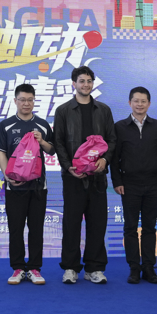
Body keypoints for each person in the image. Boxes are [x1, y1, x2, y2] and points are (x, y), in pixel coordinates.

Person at [53, 65, 116, 285]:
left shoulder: (104, 110)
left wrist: (105, 160)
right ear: (74, 84)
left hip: (98, 177)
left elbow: (112, 140)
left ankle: (94, 268)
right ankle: (70, 267)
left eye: (89, 81)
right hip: (72, 178)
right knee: (71, 223)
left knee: (97, 223)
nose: (86, 85)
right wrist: (68, 166)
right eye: (82, 81)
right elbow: (58, 141)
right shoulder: (63, 110)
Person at [0, 83, 55, 285]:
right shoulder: (6, 125)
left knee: (36, 229)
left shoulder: (42, 125)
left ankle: (35, 268)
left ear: (34, 101)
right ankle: (18, 268)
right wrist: (7, 176)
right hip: (14, 187)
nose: (26, 103)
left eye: (30, 100)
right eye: (22, 100)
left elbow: (52, 150)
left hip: (38, 187)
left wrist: (42, 141)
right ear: (15, 101)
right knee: (16, 228)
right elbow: (1, 153)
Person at [112, 86, 157, 284]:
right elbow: (114, 159)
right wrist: (117, 181)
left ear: (149, 104)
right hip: (129, 185)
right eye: (136, 101)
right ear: (130, 103)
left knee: (149, 228)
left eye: (143, 101)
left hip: (153, 184)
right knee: (130, 228)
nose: (139, 104)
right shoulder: (120, 127)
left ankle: (149, 268)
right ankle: (134, 268)